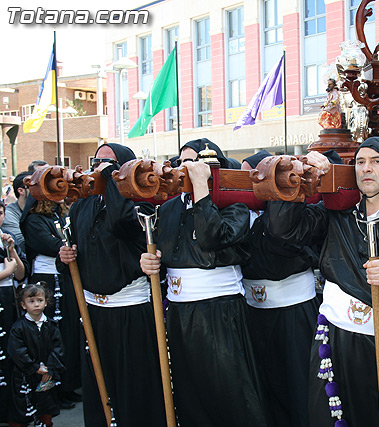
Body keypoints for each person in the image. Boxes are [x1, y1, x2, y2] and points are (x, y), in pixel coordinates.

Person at [267, 137, 379, 427]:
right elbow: (283, 231)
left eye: (377, 162)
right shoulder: (336, 215)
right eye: (360, 162)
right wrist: (299, 181)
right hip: (335, 341)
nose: (366, 169)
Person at [140, 138, 269, 427]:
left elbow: (212, 239)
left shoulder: (234, 204)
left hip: (219, 312)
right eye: (182, 161)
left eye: (193, 162)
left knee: (230, 394)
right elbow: (166, 253)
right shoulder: (170, 207)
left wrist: (202, 191)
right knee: (190, 394)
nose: (185, 168)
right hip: (179, 312)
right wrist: (151, 263)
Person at [58, 143, 166, 427]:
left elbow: (122, 223)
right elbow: (77, 249)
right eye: (97, 161)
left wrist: (113, 179)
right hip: (94, 310)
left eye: (110, 163)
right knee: (98, 387)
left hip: (130, 309)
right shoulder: (83, 203)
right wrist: (66, 256)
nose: (100, 167)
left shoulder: (141, 202)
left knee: (135, 389)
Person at [240, 149, 322, 427]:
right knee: (267, 388)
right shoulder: (241, 215)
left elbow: (281, 234)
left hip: (293, 311)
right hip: (256, 313)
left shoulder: (287, 212)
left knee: (299, 387)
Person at [21, 199, 81, 408]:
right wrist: (67, 245)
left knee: (69, 332)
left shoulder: (60, 215)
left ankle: (67, 386)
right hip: (46, 280)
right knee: (49, 336)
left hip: (66, 278)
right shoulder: (34, 220)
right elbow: (49, 244)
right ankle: (51, 393)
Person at [7, 282, 64, 427]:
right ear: (23, 305)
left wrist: (50, 368)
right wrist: (33, 367)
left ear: (46, 302)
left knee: (45, 407)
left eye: (40, 300)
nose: (36, 304)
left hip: (45, 375)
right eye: (31, 301)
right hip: (24, 375)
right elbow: (17, 351)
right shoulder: (18, 327)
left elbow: (58, 348)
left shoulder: (50, 325)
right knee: (22, 408)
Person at [0, 201, 28, 424]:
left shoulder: (6, 237)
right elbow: (9, 272)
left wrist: (11, 251)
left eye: (0, 213)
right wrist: (5, 272)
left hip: (8, 298)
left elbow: (20, 274)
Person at [3, 172, 31, 253]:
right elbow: (20, 244)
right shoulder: (8, 214)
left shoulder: (43, 209)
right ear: (21, 191)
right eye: (32, 186)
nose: (40, 190)